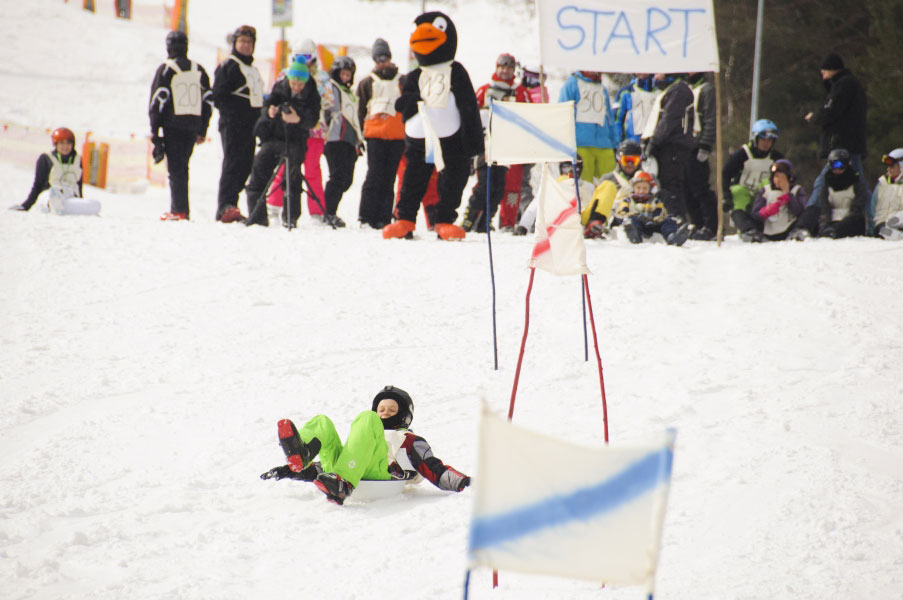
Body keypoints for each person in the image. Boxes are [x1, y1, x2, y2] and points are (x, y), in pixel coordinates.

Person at [260, 385, 471, 506]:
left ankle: (342, 483)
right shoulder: (369, 428)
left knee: (366, 419)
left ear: (404, 416)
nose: (385, 413)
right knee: (322, 422)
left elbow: (433, 467)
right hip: (348, 473)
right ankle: (301, 452)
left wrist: (467, 483)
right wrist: (289, 471)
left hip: (381, 477)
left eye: (392, 409)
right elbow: (329, 466)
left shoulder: (409, 440)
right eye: (381, 408)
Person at [382, 11, 484, 241]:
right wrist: (408, 105)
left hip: (453, 139)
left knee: (453, 178)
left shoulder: (456, 71)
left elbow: (469, 105)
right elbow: (404, 101)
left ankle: (444, 220)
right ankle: (405, 219)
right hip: (421, 140)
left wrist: (473, 141)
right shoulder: (415, 74)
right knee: (413, 177)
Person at [243, 55, 320, 228]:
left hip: (296, 140)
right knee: (259, 169)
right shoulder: (280, 87)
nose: (297, 87)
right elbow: (266, 107)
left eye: (300, 84)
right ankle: (257, 217)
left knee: (292, 176)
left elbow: (313, 118)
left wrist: (298, 119)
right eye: (294, 83)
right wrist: (270, 113)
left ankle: (290, 217)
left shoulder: (312, 92)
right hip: (274, 137)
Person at [461, 52, 529, 232]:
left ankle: (505, 221)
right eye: (502, 67)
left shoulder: (520, 92)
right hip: (486, 145)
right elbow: (470, 116)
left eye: (509, 67)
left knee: (508, 188)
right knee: (485, 183)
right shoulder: (484, 90)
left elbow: (530, 119)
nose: (505, 71)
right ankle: (471, 217)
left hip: (510, 147)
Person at [148, 30, 212, 221]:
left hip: (173, 126)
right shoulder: (198, 69)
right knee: (183, 167)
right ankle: (181, 209)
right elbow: (208, 101)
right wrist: (202, 129)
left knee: (176, 169)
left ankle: (179, 210)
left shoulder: (166, 69)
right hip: (192, 126)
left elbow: (157, 101)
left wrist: (154, 129)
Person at [211, 25, 264, 223]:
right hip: (234, 124)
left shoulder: (253, 70)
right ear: (235, 44)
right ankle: (225, 206)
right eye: (242, 41)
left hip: (251, 126)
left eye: (249, 42)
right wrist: (236, 112)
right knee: (233, 164)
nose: (246, 46)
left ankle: (232, 204)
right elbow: (218, 96)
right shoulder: (229, 66)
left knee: (245, 165)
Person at [804, 53, 868, 204]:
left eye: (824, 72)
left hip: (843, 147)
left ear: (832, 69)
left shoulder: (844, 85)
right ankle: (873, 220)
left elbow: (832, 111)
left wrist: (814, 118)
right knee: (859, 183)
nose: (823, 77)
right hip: (850, 145)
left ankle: (806, 220)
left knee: (822, 182)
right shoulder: (847, 84)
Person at [356, 39, 406, 230]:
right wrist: (360, 136)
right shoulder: (367, 82)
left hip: (396, 136)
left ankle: (384, 217)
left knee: (389, 177)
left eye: (384, 58)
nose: (382, 63)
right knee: (374, 175)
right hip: (375, 135)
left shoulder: (402, 80)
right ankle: (366, 216)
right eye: (378, 59)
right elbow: (360, 110)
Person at [9, 127, 100, 215]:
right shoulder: (46, 158)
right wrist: (26, 206)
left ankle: (61, 208)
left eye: (68, 143)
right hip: (48, 195)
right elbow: (37, 185)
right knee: (54, 196)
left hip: (70, 197)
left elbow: (79, 185)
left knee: (96, 205)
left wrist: (81, 203)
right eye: (61, 143)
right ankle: (55, 205)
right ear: (55, 144)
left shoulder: (78, 160)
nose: (65, 146)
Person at [641, 73, 694, 222]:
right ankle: (667, 218)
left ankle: (676, 218)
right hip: (665, 145)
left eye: (659, 73)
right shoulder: (669, 90)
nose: (655, 77)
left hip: (673, 145)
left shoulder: (679, 90)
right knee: (662, 184)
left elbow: (669, 119)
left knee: (671, 185)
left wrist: (655, 142)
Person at [320, 56, 364, 228]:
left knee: (347, 179)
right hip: (335, 138)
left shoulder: (349, 93)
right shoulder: (331, 87)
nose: (345, 77)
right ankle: (328, 212)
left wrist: (358, 140)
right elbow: (326, 109)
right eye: (343, 74)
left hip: (349, 140)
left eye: (348, 74)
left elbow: (354, 117)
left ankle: (329, 210)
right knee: (337, 177)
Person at [789, 148, 869, 240]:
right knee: (812, 209)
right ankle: (801, 230)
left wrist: (846, 219)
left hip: (849, 221)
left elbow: (858, 206)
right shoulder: (827, 183)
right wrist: (825, 221)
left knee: (858, 219)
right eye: (834, 165)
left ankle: (833, 232)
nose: (837, 169)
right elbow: (824, 205)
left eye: (840, 165)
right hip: (831, 220)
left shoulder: (856, 182)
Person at [290, 39, 330, 220]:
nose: (303, 60)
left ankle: (316, 211)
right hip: (292, 129)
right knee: (287, 168)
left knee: (312, 168)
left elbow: (329, 101)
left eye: (306, 56)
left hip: (315, 130)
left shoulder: (321, 78)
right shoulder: (286, 75)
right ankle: (277, 205)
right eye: (299, 56)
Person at [722, 119, 784, 233]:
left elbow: (786, 178)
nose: (766, 143)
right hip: (744, 193)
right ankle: (747, 229)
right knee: (737, 191)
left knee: (772, 186)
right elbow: (726, 173)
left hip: (762, 196)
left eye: (770, 140)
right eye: (763, 139)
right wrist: (725, 196)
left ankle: (772, 228)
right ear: (756, 138)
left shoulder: (776, 157)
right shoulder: (743, 154)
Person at [558, 70, 618, 184]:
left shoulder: (602, 89)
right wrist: (565, 142)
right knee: (584, 185)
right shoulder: (571, 84)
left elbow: (609, 117)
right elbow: (563, 114)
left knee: (611, 183)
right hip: (580, 144)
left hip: (604, 144)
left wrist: (615, 142)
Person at [579, 139, 645, 238]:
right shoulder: (610, 178)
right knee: (608, 186)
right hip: (608, 214)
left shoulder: (646, 178)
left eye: (633, 161)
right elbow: (598, 199)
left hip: (632, 215)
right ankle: (595, 223)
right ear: (619, 160)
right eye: (626, 160)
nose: (629, 165)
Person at [515, 160, 594, 236]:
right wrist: (523, 226)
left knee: (605, 186)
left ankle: (594, 225)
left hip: (581, 217)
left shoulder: (588, 186)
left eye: (574, 168)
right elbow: (536, 205)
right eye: (566, 168)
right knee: (553, 186)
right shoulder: (554, 185)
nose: (570, 172)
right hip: (560, 216)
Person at [613, 171, 690, 246]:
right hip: (638, 224)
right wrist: (634, 216)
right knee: (631, 220)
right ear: (633, 188)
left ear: (650, 189)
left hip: (653, 224)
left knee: (668, 221)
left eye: (644, 188)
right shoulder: (628, 200)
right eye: (638, 188)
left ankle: (672, 236)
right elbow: (620, 213)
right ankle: (634, 235)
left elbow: (661, 213)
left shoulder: (655, 201)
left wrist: (654, 219)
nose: (641, 191)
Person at [684, 72, 717, 240]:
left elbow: (711, 119)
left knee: (700, 187)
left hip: (698, 144)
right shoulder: (684, 88)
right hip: (685, 145)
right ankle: (697, 223)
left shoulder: (707, 89)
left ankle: (711, 225)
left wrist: (706, 144)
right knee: (687, 188)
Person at [742, 159, 808, 242]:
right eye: (776, 176)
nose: (778, 180)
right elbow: (755, 213)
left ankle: (798, 233)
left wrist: (788, 195)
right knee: (740, 212)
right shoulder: (765, 190)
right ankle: (751, 233)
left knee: (811, 211)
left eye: (781, 177)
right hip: (768, 229)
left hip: (789, 228)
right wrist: (765, 212)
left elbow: (800, 213)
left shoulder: (796, 190)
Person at [869, 148, 903, 239]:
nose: (889, 170)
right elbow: (872, 209)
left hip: (899, 221)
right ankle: (899, 238)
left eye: (892, 167)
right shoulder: (881, 184)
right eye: (888, 167)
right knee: (885, 230)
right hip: (882, 225)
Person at [615, 74, 657, 144]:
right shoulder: (626, 92)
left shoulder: (659, 91)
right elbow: (617, 120)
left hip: (654, 143)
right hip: (632, 144)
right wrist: (618, 144)